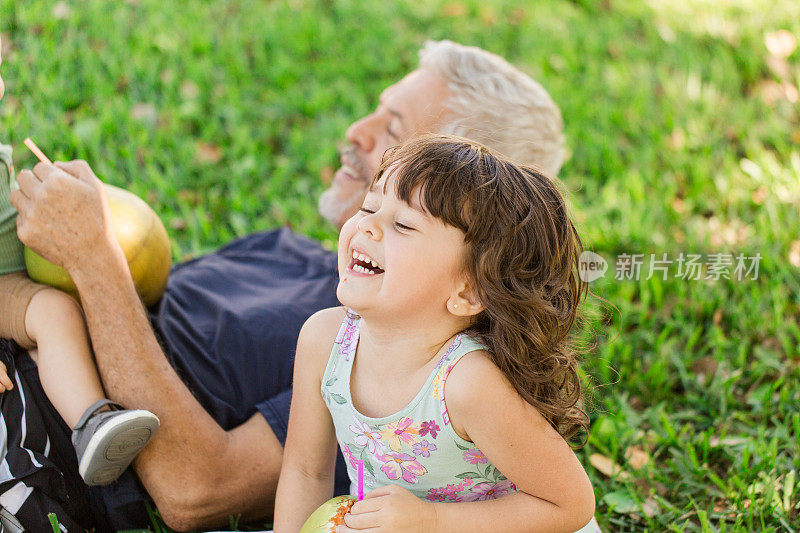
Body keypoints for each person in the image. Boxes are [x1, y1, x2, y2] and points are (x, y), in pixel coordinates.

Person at [7, 40, 568, 531]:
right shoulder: (283, 251)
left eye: (394, 131)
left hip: (34, 443)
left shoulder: (400, 367)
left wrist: (95, 259)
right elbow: (107, 320)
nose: (356, 133)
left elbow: (195, 490)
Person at [274, 135, 598, 533]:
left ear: (467, 292)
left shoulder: (467, 384)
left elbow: (569, 503)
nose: (367, 227)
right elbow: (305, 472)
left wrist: (431, 520)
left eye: (403, 224)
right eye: (369, 206)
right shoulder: (324, 342)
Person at [0, 36, 160, 489]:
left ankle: (95, 427)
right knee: (55, 313)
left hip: (12, 276)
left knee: (59, 322)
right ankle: (90, 418)